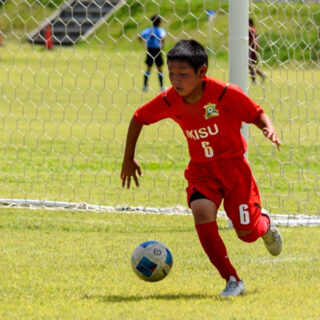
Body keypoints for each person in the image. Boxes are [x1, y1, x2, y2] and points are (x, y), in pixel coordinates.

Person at [121, 40, 282, 297]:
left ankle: (265, 225)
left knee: (246, 233)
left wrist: (268, 128)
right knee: (201, 211)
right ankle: (232, 280)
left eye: (183, 74)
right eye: (172, 74)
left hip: (235, 171)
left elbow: (255, 113)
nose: (176, 80)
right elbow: (139, 117)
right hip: (202, 172)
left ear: (202, 72)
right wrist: (128, 158)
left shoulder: (224, 93)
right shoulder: (170, 99)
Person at [138, 15, 166, 92]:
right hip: (157, 50)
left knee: (148, 68)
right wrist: (162, 47)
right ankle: (162, 87)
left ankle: (145, 86)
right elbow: (162, 38)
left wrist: (144, 44)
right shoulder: (160, 30)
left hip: (149, 50)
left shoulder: (148, 30)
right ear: (159, 22)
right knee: (159, 69)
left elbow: (139, 36)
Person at [249, 18, 266, 84]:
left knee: (249, 64)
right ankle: (261, 75)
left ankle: (254, 80)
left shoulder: (251, 30)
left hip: (252, 49)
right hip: (253, 49)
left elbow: (252, 40)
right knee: (250, 65)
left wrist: (248, 46)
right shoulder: (253, 29)